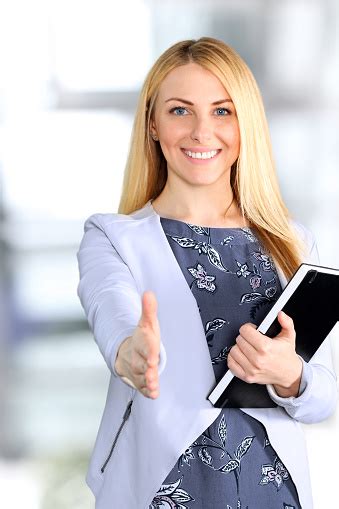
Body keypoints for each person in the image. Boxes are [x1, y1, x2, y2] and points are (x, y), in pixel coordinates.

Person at [76, 37, 337, 509]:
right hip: (163, 490)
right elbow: (111, 309)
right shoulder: (113, 237)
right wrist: (132, 353)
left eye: (222, 111)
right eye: (180, 111)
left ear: (245, 125)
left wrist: (289, 375)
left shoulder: (292, 242)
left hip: (272, 492)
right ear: (153, 124)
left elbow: (322, 399)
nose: (201, 131)